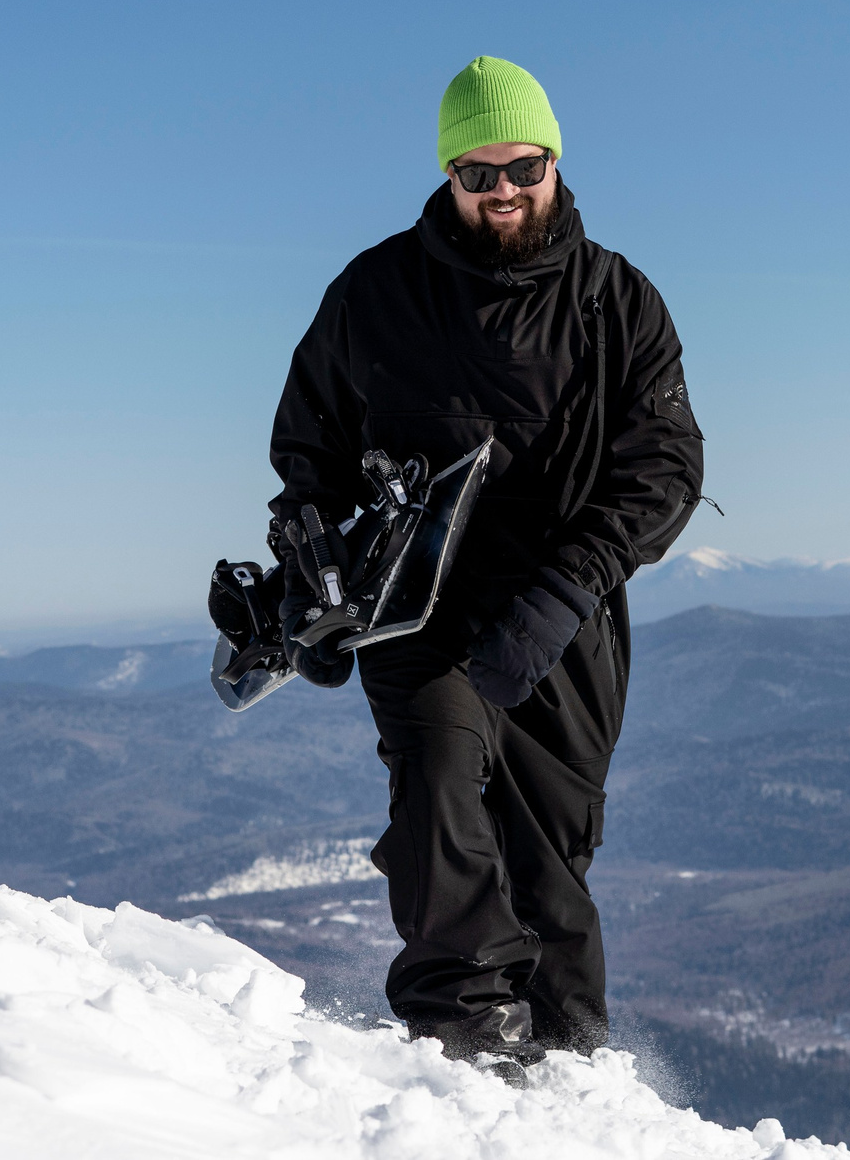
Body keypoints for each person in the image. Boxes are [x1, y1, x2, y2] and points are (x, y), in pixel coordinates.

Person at [268, 55, 704, 1069]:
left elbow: (665, 465)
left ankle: (573, 1065)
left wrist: (567, 589)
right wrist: (312, 577)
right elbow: (311, 447)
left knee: (551, 858)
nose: (502, 189)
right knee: (436, 784)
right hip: (416, 603)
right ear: (447, 176)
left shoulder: (616, 301)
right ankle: (464, 1026)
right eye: (477, 173)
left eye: (522, 166)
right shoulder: (374, 293)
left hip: (564, 606)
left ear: (553, 162)